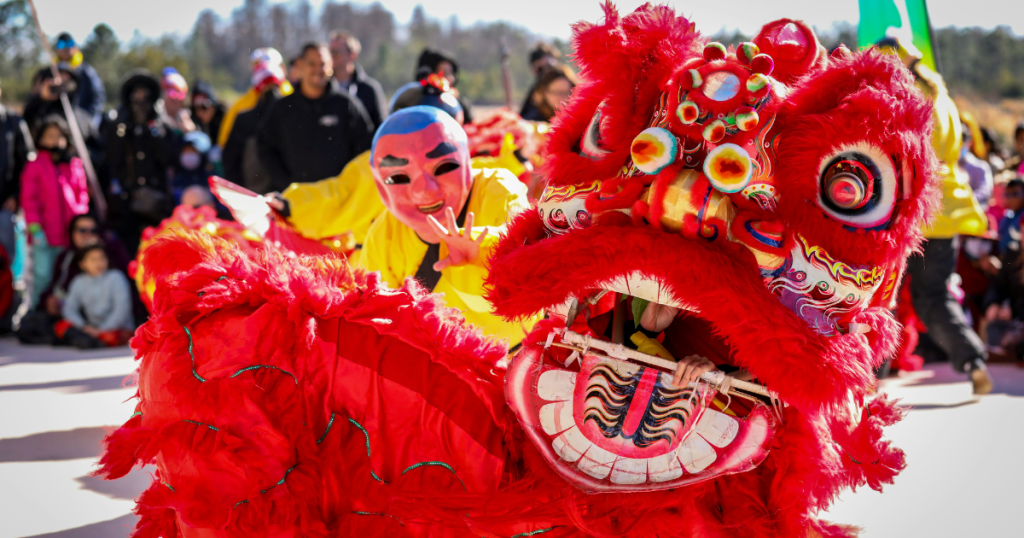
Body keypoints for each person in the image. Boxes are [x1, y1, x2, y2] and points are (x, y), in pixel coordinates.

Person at [359, 106, 535, 345]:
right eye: (399, 177)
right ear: (380, 185)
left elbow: (527, 258)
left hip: (515, 363)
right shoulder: (383, 235)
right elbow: (377, 326)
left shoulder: (498, 190)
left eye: (443, 168)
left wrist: (483, 256)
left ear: (465, 160)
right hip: (436, 371)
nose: (424, 190)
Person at [882, 37, 992, 393]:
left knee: (882, 295)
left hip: (908, 206)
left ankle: (871, 378)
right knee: (935, 297)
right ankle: (973, 361)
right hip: (944, 209)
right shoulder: (938, 89)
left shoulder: (903, 90)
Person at [256, 42, 373, 192]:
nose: (318, 69)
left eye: (323, 64)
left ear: (331, 66)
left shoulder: (347, 105)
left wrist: (348, 184)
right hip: (295, 201)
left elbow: (365, 148)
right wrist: (286, 184)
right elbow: (265, 149)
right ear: (300, 65)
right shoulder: (282, 108)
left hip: (339, 201)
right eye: (312, 64)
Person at [104, 70, 179, 254]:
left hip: (156, 200)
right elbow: (112, 159)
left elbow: (168, 158)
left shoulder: (161, 126)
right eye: (135, 95)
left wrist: (151, 129)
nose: (140, 100)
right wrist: (125, 127)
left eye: (144, 95)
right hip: (128, 202)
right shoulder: (119, 126)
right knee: (129, 249)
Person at [21, 116, 90, 307]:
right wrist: (35, 230)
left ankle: (59, 316)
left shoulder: (73, 164)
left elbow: (82, 195)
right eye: (49, 136)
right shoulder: (35, 165)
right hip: (45, 235)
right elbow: (29, 200)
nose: (54, 141)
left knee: (66, 278)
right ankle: (35, 312)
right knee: (42, 276)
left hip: (70, 234)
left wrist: (81, 222)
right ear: (41, 139)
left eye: (59, 136)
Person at [37, 214, 130, 320]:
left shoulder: (112, 255)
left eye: (93, 230)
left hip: (109, 321)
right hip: (71, 318)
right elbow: (55, 287)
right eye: (82, 230)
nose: (88, 235)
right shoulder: (65, 258)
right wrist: (49, 301)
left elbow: (124, 303)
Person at [221, 61, 286, 193]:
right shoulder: (245, 119)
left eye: (275, 87)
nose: (272, 93)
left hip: (283, 194)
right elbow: (230, 160)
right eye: (267, 87)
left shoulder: (288, 116)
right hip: (252, 193)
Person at [57, 243, 133, 348]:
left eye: (102, 258)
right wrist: (83, 326)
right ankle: (89, 340)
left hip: (115, 329)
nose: (99, 263)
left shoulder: (116, 277)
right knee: (61, 326)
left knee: (114, 337)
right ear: (82, 264)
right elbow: (69, 309)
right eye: (93, 260)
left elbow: (122, 310)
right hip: (90, 329)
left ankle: (89, 341)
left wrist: (102, 329)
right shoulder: (78, 281)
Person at [217, 48, 294, 148]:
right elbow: (224, 142)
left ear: (283, 68)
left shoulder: (294, 97)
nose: (264, 71)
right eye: (259, 67)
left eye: (269, 66)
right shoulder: (239, 105)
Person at [0, 78, 33, 262]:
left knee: (6, 260)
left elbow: (27, 163)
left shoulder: (13, 121)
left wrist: (16, 195)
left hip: (6, 204)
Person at [330, 31, 387, 132]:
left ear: (352, 55)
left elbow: (381, 128)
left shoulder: (370, 89)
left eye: (336, 52)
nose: (331, 56)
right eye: (329, 52)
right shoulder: (320, 88)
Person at [53, 33, 106, 126]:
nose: (66, 48)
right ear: (56, 49)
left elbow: (98, 97)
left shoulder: (86, 72)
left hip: (82, 123)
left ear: (75, 48)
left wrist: (87, 119)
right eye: (61, 44)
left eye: (70, 44)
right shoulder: (51, 73)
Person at [416, 48, 473, 123]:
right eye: (444, 72)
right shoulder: (416, 94)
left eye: (449, 72)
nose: (449, 77)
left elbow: (469, 120)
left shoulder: (457, 100)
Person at [520, 43, 562, 119]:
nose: (548, 73)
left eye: (550, 66)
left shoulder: (566, 84)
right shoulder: (536, 91)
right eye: (541, 69)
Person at [171, 131, 213, 203]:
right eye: (185, 151)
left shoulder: (212, 179)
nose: (188, 154)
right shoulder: (177, 179)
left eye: (193, 151)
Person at [160, 68, 195, 134]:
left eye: (180, 95)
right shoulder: (157, 114)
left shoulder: (186, 115)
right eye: (171, 93)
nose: (175, 98)